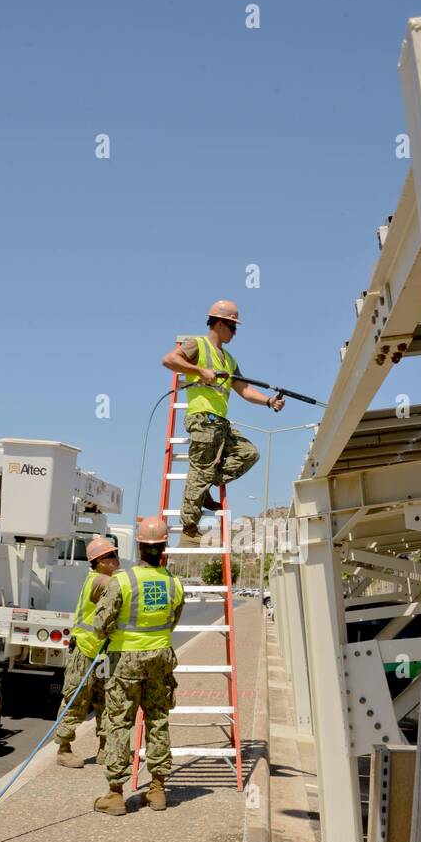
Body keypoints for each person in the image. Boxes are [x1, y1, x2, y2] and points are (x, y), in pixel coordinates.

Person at [161, 299, 285, 547]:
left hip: (220, 423)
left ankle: (209, 483)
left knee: (249, 453)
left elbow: (245, 390)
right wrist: (199, 371)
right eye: (232, 326)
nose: (235, 332)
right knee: (200, 470)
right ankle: (189, 527)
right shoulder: (197, 344)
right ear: (219, 323)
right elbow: (169, 360)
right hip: (202, 418)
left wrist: (269, 402)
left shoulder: (229, 360)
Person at [90, 516, 185, 816]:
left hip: (125, 662)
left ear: (140, 546)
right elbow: (173, 620)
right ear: (163, 548)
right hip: (160, 658)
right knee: (158, 719)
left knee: (119, 722)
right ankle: (157, 789)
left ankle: (116, 794)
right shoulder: (174, 583)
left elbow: (101, 624)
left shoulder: (123, 580)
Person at [55, 535, 119, 768]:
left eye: (115, 554)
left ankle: (104, 747)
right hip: (85, 649)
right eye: (111, 555)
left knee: (107, 702)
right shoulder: (98, 580)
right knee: (75, 699)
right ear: (100, 561)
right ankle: (63, 748)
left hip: (103, 652)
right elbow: (118, 586)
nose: (117, 558)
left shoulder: (107, 578)